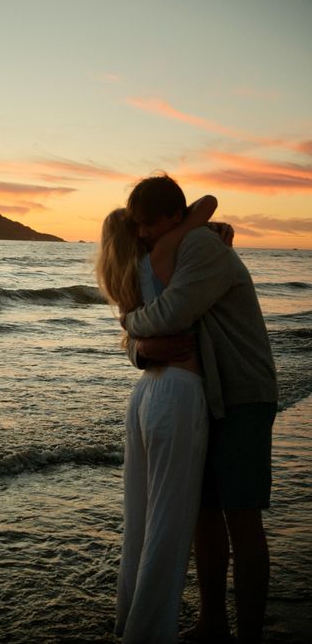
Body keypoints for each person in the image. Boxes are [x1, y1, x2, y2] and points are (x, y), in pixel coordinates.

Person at [123, 175, 278, 644]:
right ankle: (214, 622)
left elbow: (172, 313)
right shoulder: (175, 246)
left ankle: (249, 635)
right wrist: (139, 349)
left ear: (175, 215)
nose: (143, 233)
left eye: (150, 223)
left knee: (241, 514)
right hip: (200, 395)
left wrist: (130, 327)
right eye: (138, 225)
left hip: (241, 395)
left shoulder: (203, 248)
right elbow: (153, 336)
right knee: (203, 513)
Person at [97, 192, 223, 643]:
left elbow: (133, 333)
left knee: (139, 521)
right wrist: (200, 226)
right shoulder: (163, 256)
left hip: (145, 395)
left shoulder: (124, 277)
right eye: (141, 227)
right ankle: (148, 634)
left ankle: (129, 619)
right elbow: (205, 203)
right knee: (169, 526)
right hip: (178, 393)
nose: (149, 232)